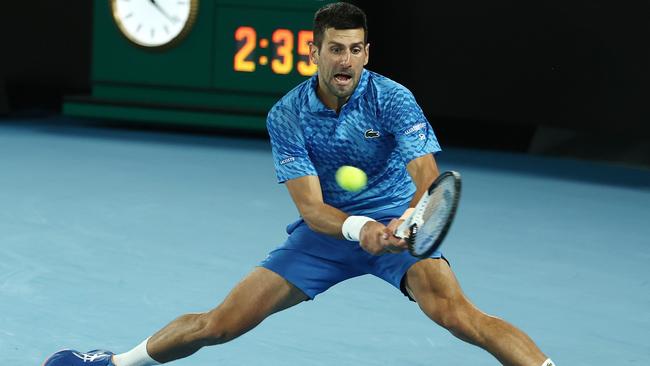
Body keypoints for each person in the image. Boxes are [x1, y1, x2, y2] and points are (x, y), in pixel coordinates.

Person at [44, 2, 555, 366]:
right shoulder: (287, 115)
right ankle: (114, 363)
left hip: (398, 228)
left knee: (460, 317)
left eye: (356, 50)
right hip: (328, 235)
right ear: (314, 51)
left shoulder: (394, 98)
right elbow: (311, 209)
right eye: (336, 49)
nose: (346, 61)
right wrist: (360, 229)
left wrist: (406, 221)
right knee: (221, 323)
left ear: (367, 52)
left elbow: (428, 178)